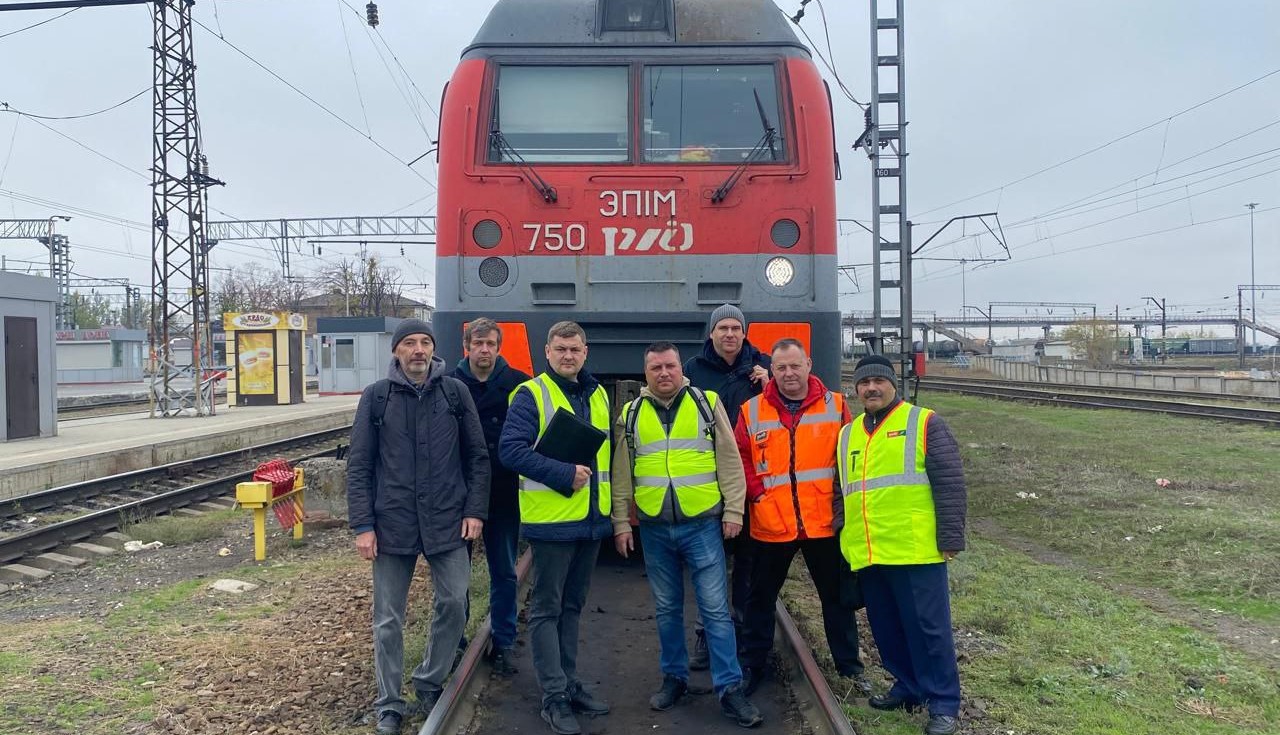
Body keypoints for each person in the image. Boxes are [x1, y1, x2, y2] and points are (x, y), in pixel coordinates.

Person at [346, 319, 490, 735]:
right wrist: (363, 525)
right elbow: (360, 465)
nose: (418, 350)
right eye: (409, 343)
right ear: (396, 351)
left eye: (425, 342)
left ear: (434, 349)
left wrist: (475, 511)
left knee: (454, 601)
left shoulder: (454, 393)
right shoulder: (377, 397)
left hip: (447, 518)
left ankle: (429, 679)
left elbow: (477, 457)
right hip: (393, 522)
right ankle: (389, 703)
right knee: (387, 618)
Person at [610, 342, 764, 728]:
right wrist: (621, 521)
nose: (664, 373)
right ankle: (674, 678)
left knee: (715, 610)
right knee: (666, 609)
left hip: (702, 524)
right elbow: (622, 472)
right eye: (656, 368)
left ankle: (730, 688)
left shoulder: (706, 403)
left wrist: (734, 510)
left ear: (682, 368)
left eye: (670, 366)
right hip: (655, 528)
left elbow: (729, 460)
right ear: (646, 373)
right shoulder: (631, 414)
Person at [836, 355, 966, 735]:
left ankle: (943, 703)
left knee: (929, 630)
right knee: (887, 628)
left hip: (915, 549)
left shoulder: (924, 422)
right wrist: (843, 534)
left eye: (878, 381)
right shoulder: (848, 434)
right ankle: (908, 687)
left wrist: (950, 538)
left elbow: (950, 483)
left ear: (893, 384)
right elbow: (841, 490)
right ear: (856, 389)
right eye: (864, 383)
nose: (871, 388)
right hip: (870, 550)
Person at [734, 339, 867, 696]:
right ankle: (753, 665)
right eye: (781, 368)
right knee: (760, 598)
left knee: (836, 599)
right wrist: (756, 494)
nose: (789, 373)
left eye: (795, 366)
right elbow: (741, 457)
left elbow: (850, 455)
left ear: (808, 364)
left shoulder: (835, 406)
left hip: (821, 522)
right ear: (771, 370)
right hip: (772, 522)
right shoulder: (751, 410)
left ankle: (850, 668)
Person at [499, 321, 612, 735]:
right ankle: (553, 696)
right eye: (560, 349)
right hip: (551, 524)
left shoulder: (598, 394)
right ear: (547, 352)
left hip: (590, 522)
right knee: (547, 609)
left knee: (573, 606)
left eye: (575, 349)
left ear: (585, 352)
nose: (568, 356)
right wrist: (564, 474)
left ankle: (568, 682)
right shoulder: (530, 394)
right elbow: (510, 451)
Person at [682, 303, 770, 670]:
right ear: (712, 333)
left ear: (744, 333)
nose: (730, 334)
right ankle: (708, 633)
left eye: (736, 328)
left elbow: (787, 406)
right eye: (723, 328)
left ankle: (744, 634)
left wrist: (769, 385)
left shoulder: (763, 366)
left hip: (753, 474)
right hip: (710, 476)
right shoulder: (693, 370)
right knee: (710, 560)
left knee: (749, 561)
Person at [451, 317, 531, 677]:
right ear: (467, 346)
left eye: (490, 344)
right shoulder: (449, 385)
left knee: (504, 571)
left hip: (503, 491)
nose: (484, 350)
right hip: (459, 493)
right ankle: (454, 642)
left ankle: (504, 641)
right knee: (456, 576)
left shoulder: (519, 385)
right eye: (478, 343)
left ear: (499, 347)